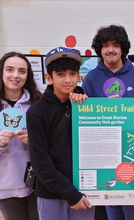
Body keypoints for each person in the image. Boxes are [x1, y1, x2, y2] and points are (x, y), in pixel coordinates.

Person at [82, 24, 134, 220]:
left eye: (115, 44)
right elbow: (84, 118)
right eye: (105, 45)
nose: (110, 49)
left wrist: (128, 112)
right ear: (100, 50)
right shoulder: (91, 78)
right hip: (104, 150)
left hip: (133, 149)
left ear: (123, 48)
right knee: (111, 202)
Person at [26, 47, 95, 220]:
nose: (68, 80)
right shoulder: (36, 112)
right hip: (51, 194)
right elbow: (41, 162)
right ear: (49, 77)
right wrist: (71, 194)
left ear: (79, 75)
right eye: (61, 74)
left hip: (84, 191)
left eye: (72, 73)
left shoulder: (87, 106)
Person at [0, 52, 42, 220]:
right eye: (10, 70)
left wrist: (34, 139)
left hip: (36, 181)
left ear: (28, 75)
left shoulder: (38, 102)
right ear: (1, 72)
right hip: (4, 184)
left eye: (22, 71)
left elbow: (50, 139)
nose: (15, 75)